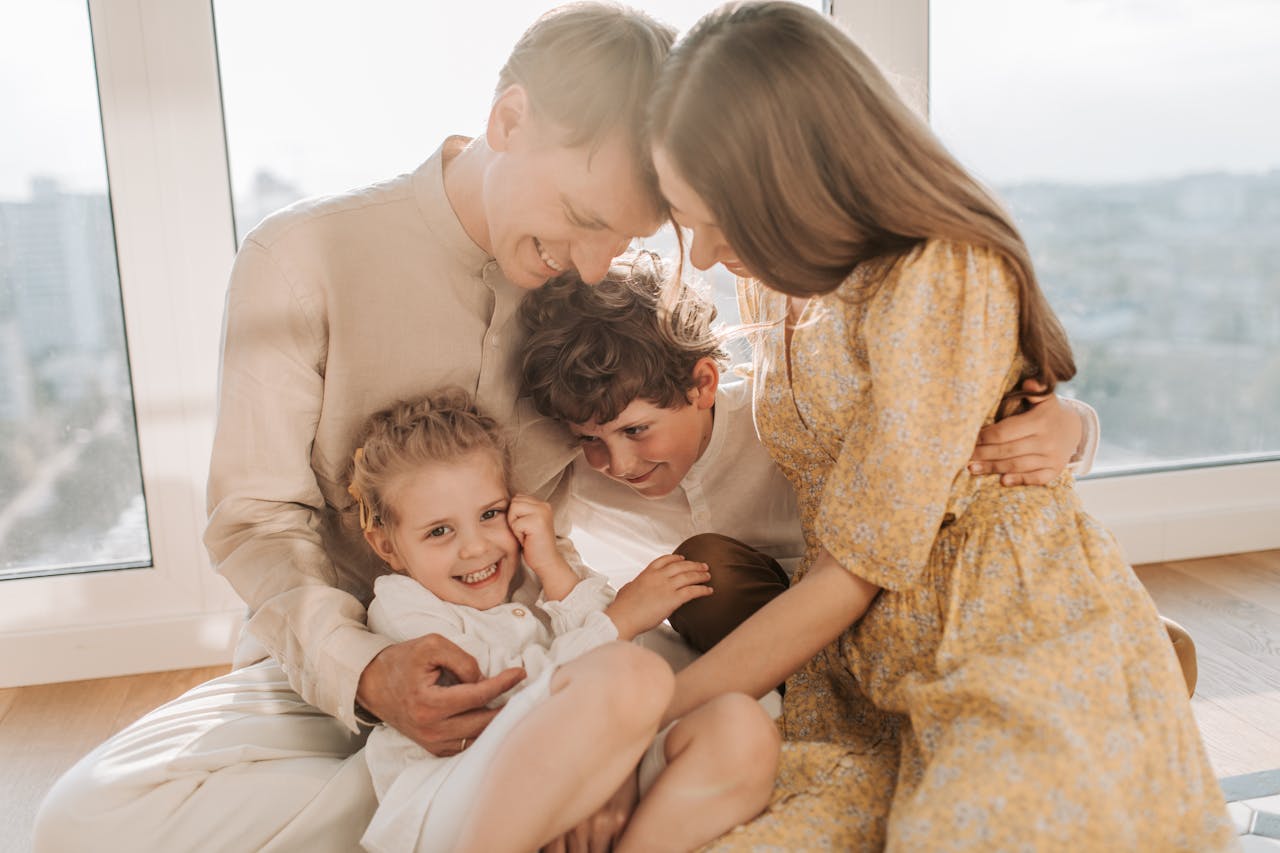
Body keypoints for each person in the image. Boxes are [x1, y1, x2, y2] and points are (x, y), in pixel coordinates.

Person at [32, 4, 1124, 850]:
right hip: (341, 658)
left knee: (698, 719)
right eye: (589, 220)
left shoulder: (588, 299)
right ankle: (484, 804)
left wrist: (1056, 426)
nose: (604, 261)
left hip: (553, 652)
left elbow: (761, 425)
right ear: (509, 121)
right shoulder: (300, 256)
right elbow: (253, 519)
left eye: (638, 232)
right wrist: (365, 671)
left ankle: (501, 796)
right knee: (79, 824)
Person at [643, 3, 1234, 850]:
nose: (698, 254)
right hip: (857, 672)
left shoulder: (941, 270)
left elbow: (859, 566)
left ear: (792, 183)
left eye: (716, 219)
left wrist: (632, 722)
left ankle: (1131, 682)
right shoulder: (778, 273)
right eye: (682, 217)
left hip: (1002, 634)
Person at [520, 250, 1099, 656]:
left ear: (702, 385)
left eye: (637, 431)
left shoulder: (781, 413)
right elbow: (550, 557)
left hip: (874, 592)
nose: (617, 465)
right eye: (591, 440)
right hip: (762, 619)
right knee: (704, 575)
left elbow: (941, 448)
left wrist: (1071, 425)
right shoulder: (583, 479)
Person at [349, 388, 777, 852]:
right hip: (458, 799)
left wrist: (554, 571)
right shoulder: (403, 605)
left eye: (490, 514)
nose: (476, 547)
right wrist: (616, 622)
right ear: (387, 546)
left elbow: (613, 683)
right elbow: (501, 699)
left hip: (568, 783)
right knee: (635, 673)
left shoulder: (538, 574)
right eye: (439, 531)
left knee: (740, 726)